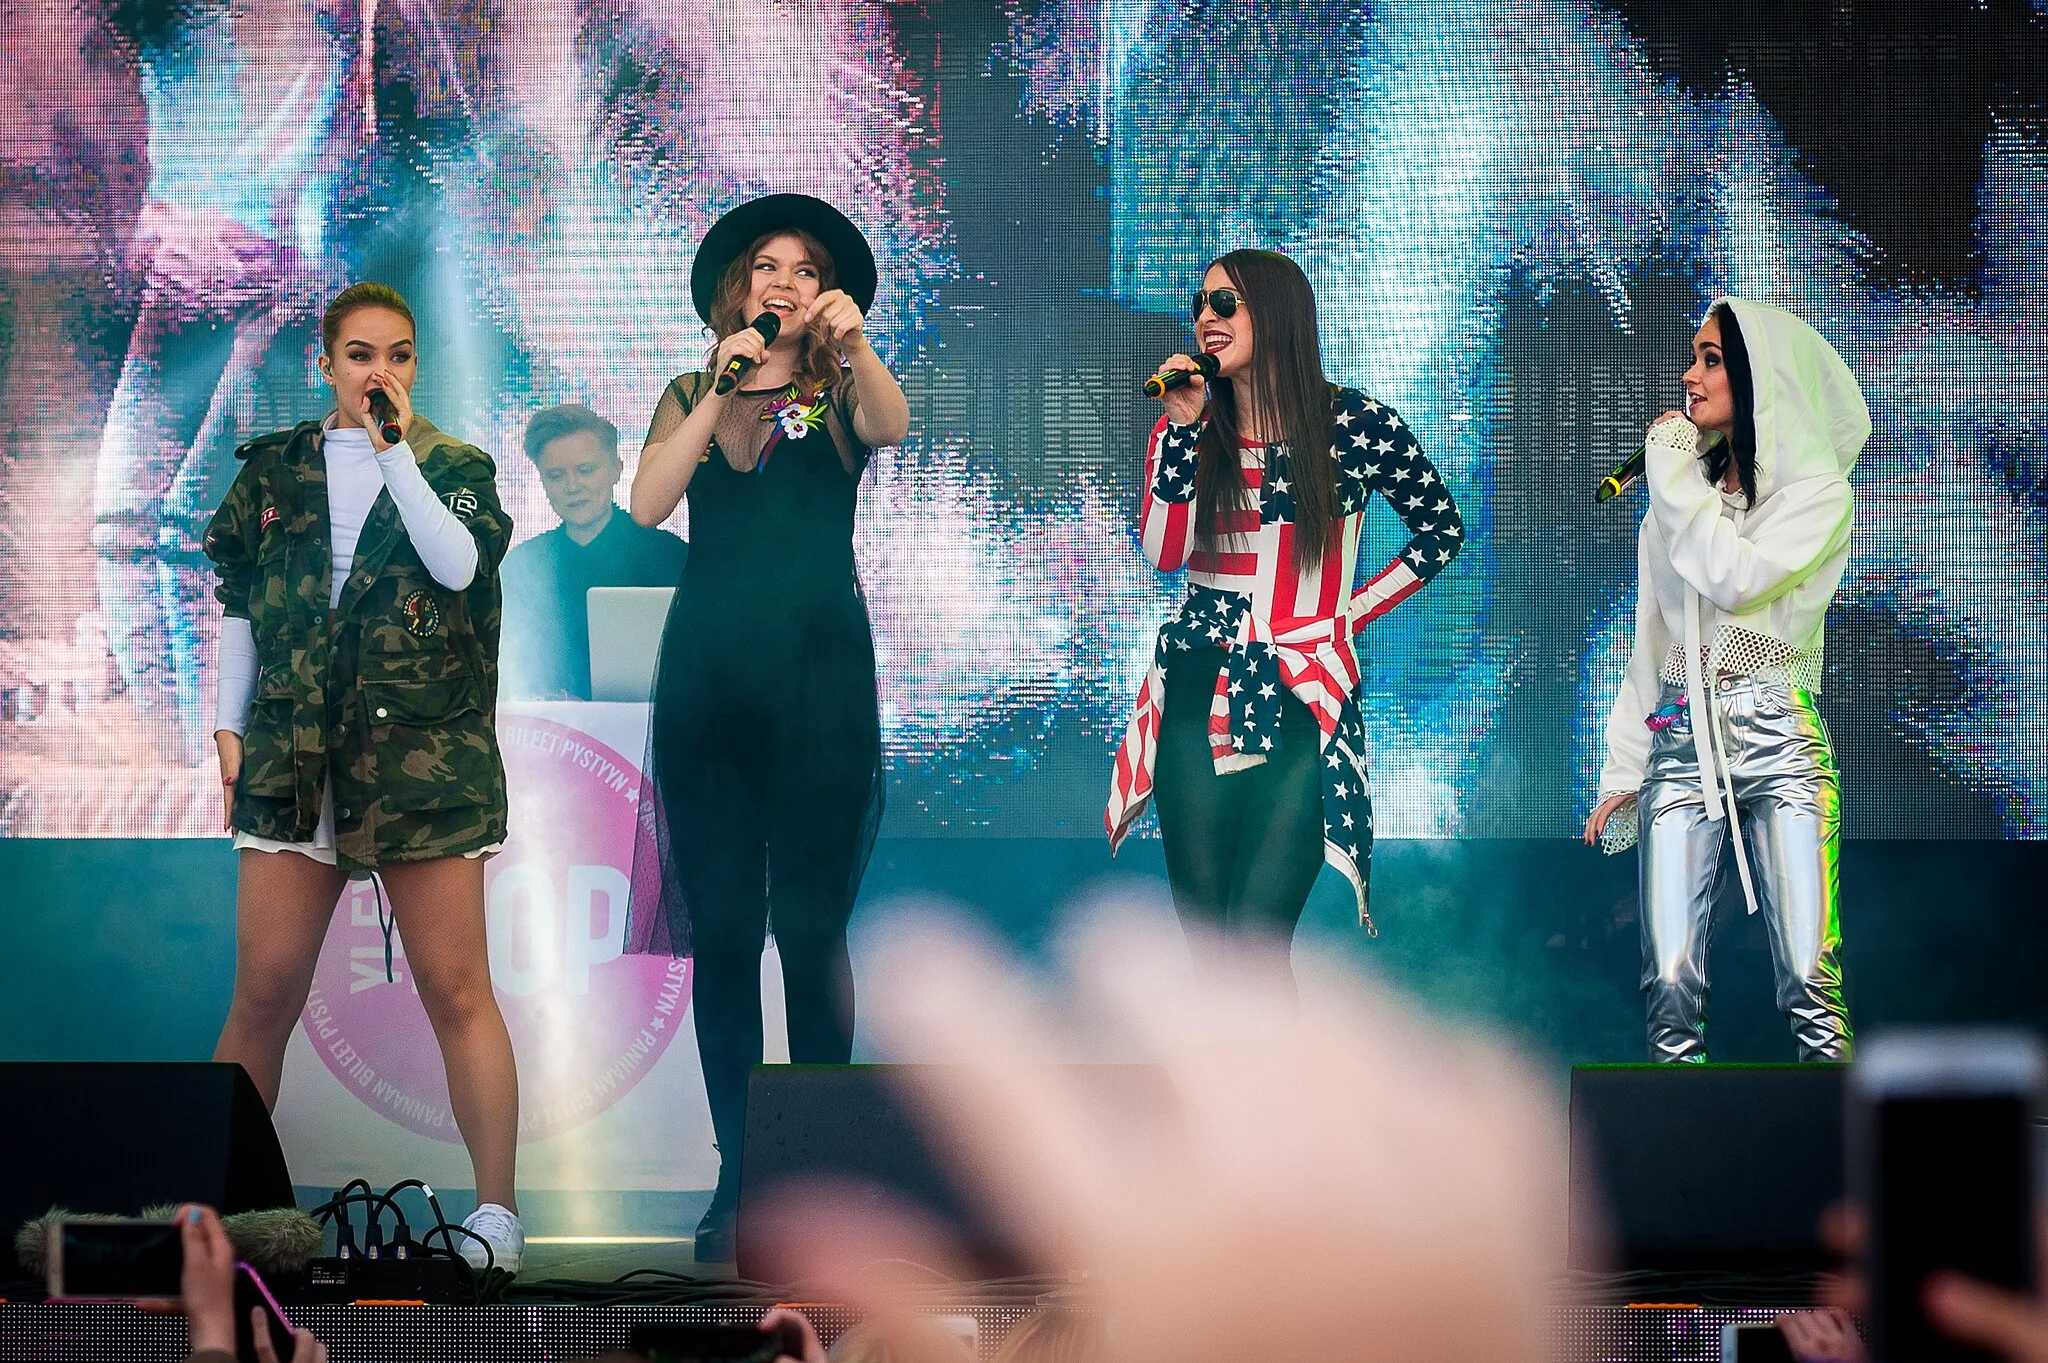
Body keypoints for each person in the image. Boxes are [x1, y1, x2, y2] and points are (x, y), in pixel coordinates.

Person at [202, 281, 526, 1271]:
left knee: (457, 986)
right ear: (325, 362)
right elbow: (242, 607)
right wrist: (225, 727)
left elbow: (458, 566)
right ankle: (216, 1215)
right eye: (358, 355)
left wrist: (393, 451)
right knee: (262, 992)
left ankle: (496, 1217)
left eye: (396, 354)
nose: (377, 371)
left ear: (414, 364)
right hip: (295, 757)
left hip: (418, 760)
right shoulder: (274, 471)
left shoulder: (453, 466)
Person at [627, 194, 909, 1262]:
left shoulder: (838, 394)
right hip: (708, 683)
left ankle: (823, 1175)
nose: (782, 281)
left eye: (803, 268)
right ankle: (737, 1174)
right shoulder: (690, 393)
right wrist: (720, 380)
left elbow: (892, 425)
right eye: (764, 267)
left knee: (808, 928)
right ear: (735, 290)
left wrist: (853, 342)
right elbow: (649, 500)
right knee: (728, 936)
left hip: (819, 684)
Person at [1106, 248, 1465, 950]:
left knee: (1258, 936)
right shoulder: (1185, 429)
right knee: (1210, 941)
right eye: (1200, 306)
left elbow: (1440, 529)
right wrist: (1180, 430)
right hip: (1197, 689)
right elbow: (1165, 552)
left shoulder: (1354, 423)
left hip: (1300, 691)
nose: (1205, 320)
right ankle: (1219, 1064)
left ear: (1276, 314)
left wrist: (1343, 615)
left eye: (1225, 304)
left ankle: (1269, 1061)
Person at [1583, 298, 1866, 1064]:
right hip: (1681, 732)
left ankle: (1837, 1165)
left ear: (1758, 378)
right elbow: (1652, 640)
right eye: (1695, 355)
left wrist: (1672, 471)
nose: (1689, 374)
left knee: (1810, 977)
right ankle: (1674, 1175)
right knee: (1669, 981)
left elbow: (1735, 578)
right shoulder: (1677, 503)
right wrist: (1624, 769)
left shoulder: (1820, 497)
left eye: (1711, 359)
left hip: (1778, 734)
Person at [500, 404, 688, 699]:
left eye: (586, 470)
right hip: (553, 737)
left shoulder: (671, 557)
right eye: (556, 475)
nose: (572, 486)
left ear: (617, 469)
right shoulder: (523, 567)